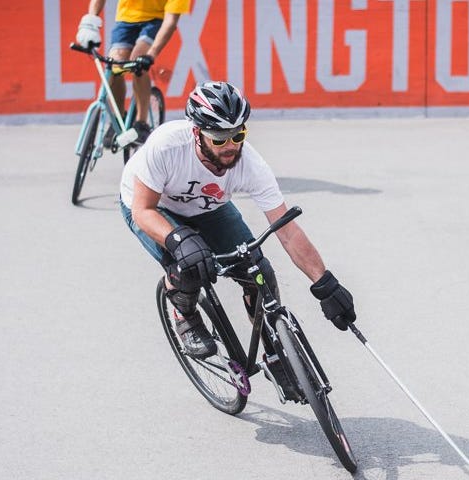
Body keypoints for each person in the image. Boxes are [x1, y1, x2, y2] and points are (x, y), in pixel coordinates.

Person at [118, 80, 357, 394]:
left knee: (259, 272)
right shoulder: (166, 146)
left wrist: (325, 284)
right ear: (197, 133)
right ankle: (185, 312)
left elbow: (287, 231)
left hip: (209, 208)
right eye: (219, 139)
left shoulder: (250, 164)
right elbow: (142, 210)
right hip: (155, 206)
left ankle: (276, 353)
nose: (230, 146)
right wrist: (178, 240)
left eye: (238, 135)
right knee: (188, 264)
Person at [75, 0, 189, 143]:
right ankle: (119, 118)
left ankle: (141, 124)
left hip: (156, 21)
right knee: (115, 65)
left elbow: (171, 21)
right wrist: (90, 21)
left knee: (138, 62)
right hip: (126, 19)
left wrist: (151, 54)